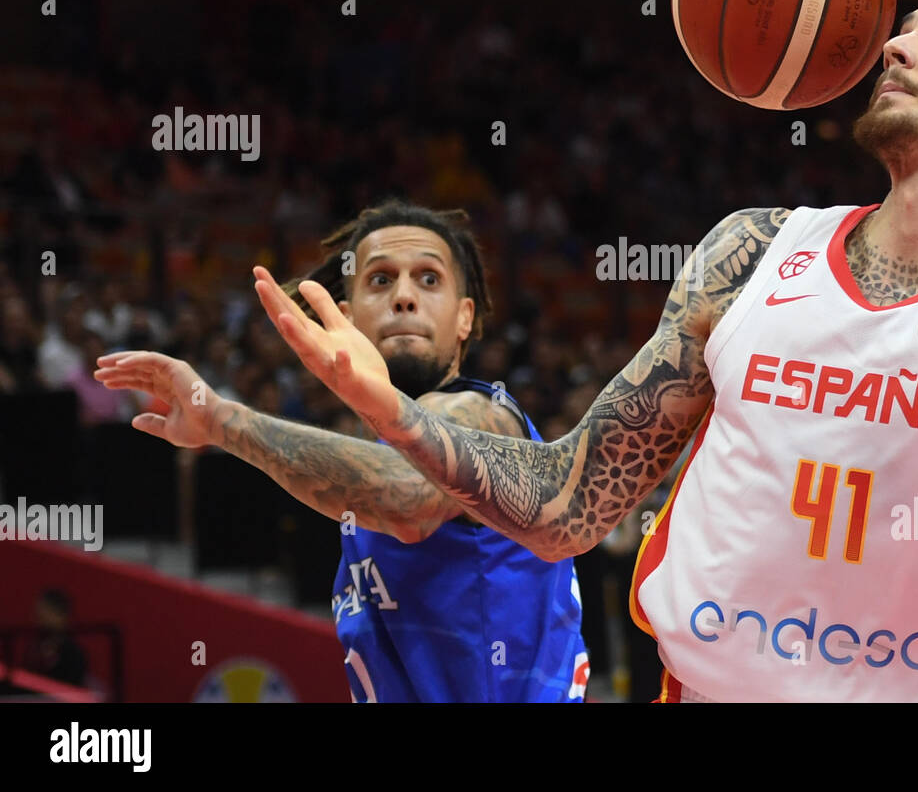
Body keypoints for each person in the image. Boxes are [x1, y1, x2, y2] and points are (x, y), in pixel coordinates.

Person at [252, 0, 918, 701]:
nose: (896, 45)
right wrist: (393, 411)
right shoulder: (753, 250)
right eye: (904, 29)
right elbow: (569, 504)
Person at [95, 201, 587, 702]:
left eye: (429, 279)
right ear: (344, 319)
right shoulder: (374, 456)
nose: (404, 297)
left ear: (464, 318)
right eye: (380, 280)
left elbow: (407, 499)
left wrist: (224, 422)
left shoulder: (480, 413)